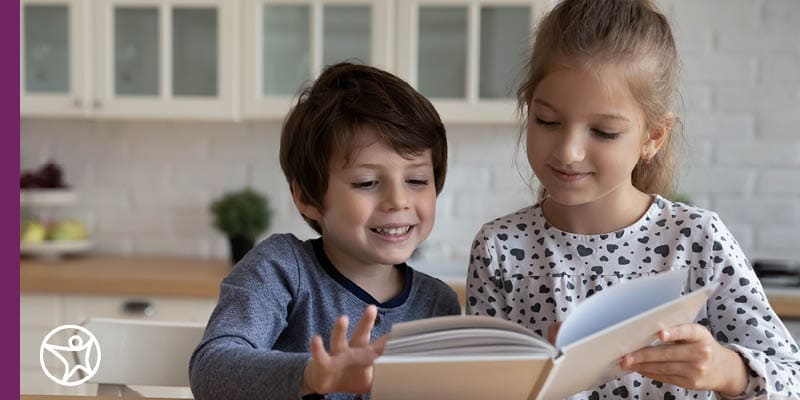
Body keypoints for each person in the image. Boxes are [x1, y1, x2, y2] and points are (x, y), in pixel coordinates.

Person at [466, 0, 800, 399]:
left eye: (604, 132)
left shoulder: (697, 239)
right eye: (547, 121)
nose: (568, 151)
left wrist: (727, 370)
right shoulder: (499, 247)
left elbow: (791, 379)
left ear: (653, 137)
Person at [189, 62, 461, 400]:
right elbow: (211, 369)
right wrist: (312, 375)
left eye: (417, 180)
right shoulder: (281, 269)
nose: (398, 201)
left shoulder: (438, 304)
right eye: (367, 182)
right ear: (307, 198)